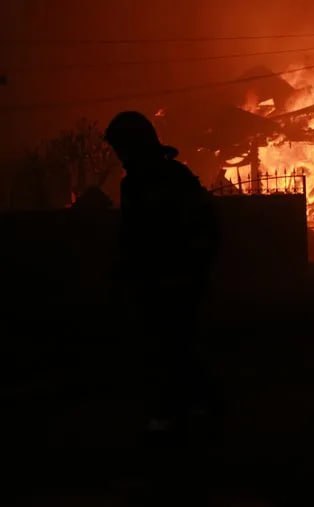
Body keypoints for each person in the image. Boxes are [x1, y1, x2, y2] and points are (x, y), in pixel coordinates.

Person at [105, 111, 218, 446]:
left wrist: (191, 272)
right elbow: (132, 236)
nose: (118, 154)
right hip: (152, 282)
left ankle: (179, 420)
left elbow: (201, 229)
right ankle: (183, 415)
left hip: (175, 280)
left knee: (173, 347)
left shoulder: (171, 181)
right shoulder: (136, 183)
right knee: (163, 348)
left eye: (121, 146)